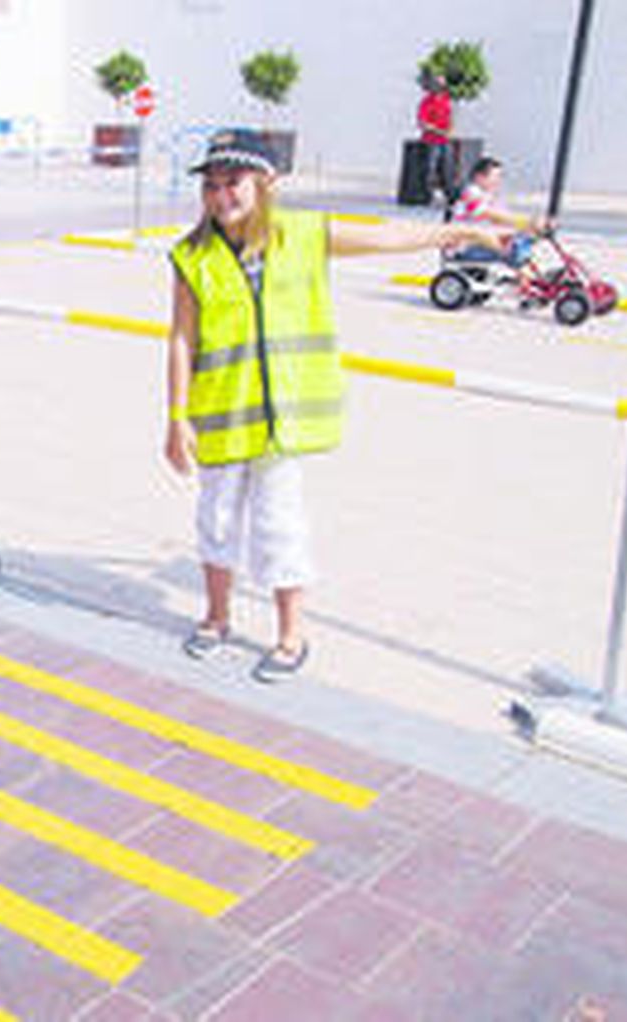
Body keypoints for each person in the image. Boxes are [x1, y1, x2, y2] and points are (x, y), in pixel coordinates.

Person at [166, 129, 504, 683]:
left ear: (266, 183)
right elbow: (181, 339)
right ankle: (217, 616)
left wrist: (463, 229)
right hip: (220, 415)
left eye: (233, 182)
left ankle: (290, 633)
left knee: (279, 526)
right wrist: (175, 418)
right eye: (211, 185)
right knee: (217, 520)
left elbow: (389, 237)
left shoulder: (303, 233)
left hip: (285, 421)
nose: (220, 195)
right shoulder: (191, 255)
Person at [449, 156, 549, 282]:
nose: (498, 181)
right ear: (479, 177)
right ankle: (527, 283)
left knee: (522, 242)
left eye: (500, 176)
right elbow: (491, 216)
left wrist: (526, 229)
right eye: (495, 177)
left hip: (480, 242)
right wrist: (527, 222)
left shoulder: (488, 196)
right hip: (465, 248)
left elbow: (503, 220)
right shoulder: (471, 194)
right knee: (513, 249)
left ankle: (529, 281)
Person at [416, 73, 454, 206]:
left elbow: (449, 117)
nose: (441, 86)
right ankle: (428, 196)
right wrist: (440, 131)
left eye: (443, 84)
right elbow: (422, 124)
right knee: (430, 170)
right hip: (432, 141)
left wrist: (449, 130)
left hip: (445, 141)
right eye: (438, 84)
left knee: (448, 169)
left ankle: (449, 197)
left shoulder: (446, 99)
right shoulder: (426, 102)